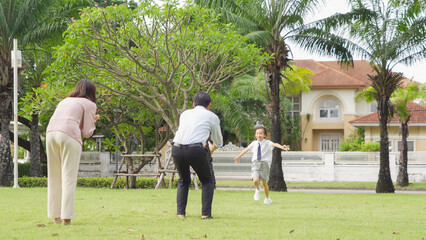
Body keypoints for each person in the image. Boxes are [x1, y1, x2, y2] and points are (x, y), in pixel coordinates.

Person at [46, 79, 100, 226]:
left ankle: (55, 217)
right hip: (69, 135)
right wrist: (93, 121)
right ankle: (66, 218)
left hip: (51, 133)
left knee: (54, 176)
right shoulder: (89, 104)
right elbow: (87, 132)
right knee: (68, 177)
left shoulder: (64, 101)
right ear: (91, 92)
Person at [172, 91, 223, 219]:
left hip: (176, 148)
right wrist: (212, 148)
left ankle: (180, 214)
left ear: (193, 104)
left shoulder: (185, 114)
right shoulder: (212, 116)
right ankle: (205, 214)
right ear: (209, 105)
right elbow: (219, 141)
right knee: (207, 180)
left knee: (183, 180)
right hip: (195, 149)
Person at [234, 123, 289, 204]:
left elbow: (275, 144)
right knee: (255, 180)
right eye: (257, 133)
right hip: (255, 163)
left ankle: (267, 198)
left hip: (265, 164)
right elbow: (246, 149)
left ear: (264, 135)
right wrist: (239, 156)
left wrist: (282, 147)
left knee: (264, 183)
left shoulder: (267, 142)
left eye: (260, 133)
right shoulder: (254, 143)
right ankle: (257, 189)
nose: (258, 135)